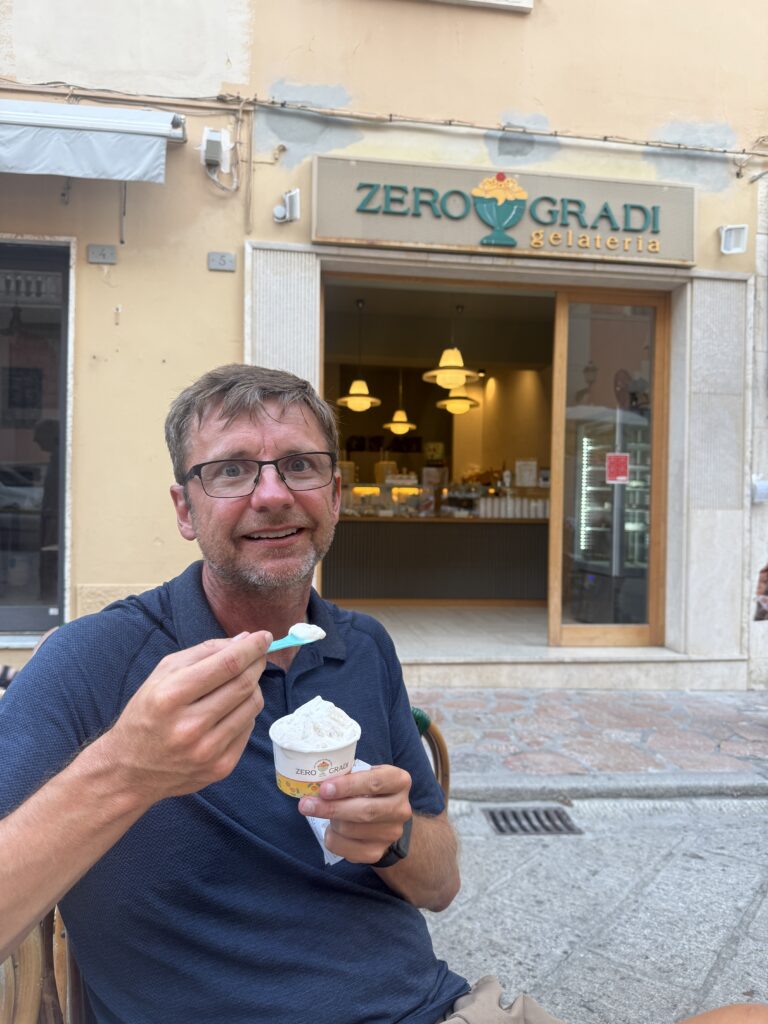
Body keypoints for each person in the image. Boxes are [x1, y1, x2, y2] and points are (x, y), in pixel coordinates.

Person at [0, 364, 765, 1024]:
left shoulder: (362, 647)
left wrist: (394, 835)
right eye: (231, 470)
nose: (273, 494)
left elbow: (440, 885)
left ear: (335, 495)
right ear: (183, 508)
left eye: (300, 465)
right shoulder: (92, 662)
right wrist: (128, 770)